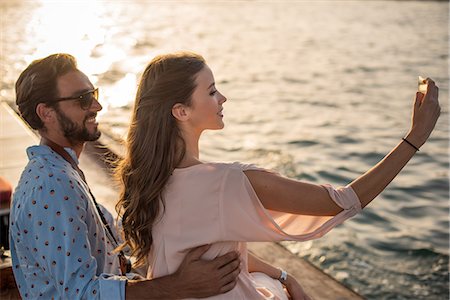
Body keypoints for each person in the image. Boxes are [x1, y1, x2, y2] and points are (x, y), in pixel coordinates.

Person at [115, 52, 440, 299]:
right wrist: (415, 137)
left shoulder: (148, 178)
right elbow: (344, 202)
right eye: (212, 91)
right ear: (181, 111)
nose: (223, 98)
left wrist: (284, 275)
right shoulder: (223, 183)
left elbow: (219, 254)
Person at [9, 53, 244, 299]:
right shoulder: (52, 184)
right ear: (46, 113)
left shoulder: (61, 169)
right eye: (83, 99)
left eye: (94, 95)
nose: (97, 106)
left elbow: (119, 234)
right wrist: (178, 285)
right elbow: (81, 294)